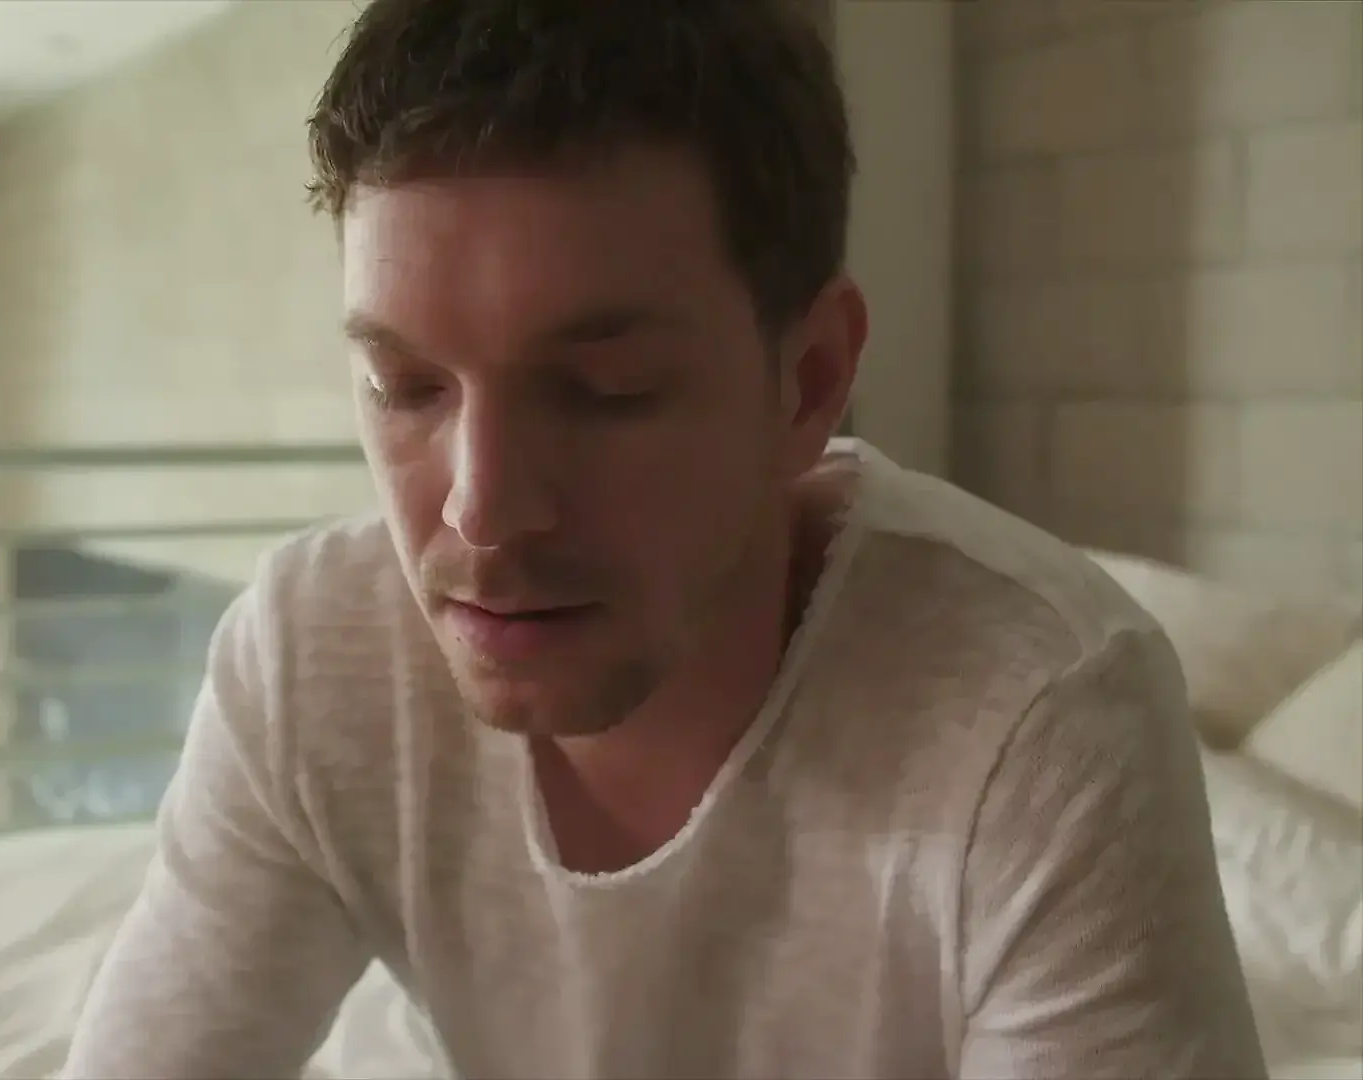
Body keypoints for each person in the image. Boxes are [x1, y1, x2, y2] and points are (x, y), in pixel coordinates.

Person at [62, 0, 1268, 1076]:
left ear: (808, 382)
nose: (482, 509)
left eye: (607, 391)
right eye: (405, 387)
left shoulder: (1036, 713)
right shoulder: (311, 656)